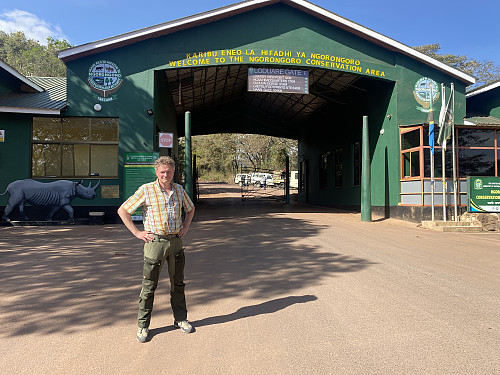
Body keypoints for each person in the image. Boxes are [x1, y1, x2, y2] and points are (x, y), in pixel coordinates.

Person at [117, 156, 195, 343]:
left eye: (168, 171)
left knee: (178, 284)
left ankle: (181, 319)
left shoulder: (179, 190)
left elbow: (190, 209)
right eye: (162, 171)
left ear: (173, 172)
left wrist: (185, 227)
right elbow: (123, 210)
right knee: (149, 286)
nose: (165, 175)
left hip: (175, 242)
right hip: (155, 243)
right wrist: (137, 233)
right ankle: (143, 326)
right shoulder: (147, 190)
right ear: (156, 172)